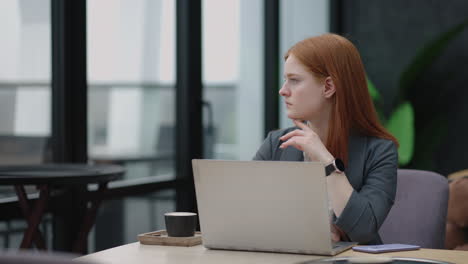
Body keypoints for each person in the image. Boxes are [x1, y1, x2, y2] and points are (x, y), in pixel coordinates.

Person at [253, 33, 399, 245]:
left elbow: (364, 230)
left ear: (328, 87)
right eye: (285, 80)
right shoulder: (276, 143)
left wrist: (327, 162)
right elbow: (248, 212)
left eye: (294, 80)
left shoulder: (380, 151)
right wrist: (309, 230)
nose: (282, 91)